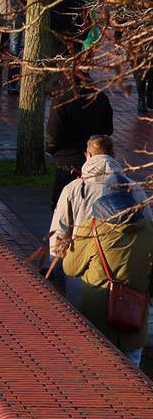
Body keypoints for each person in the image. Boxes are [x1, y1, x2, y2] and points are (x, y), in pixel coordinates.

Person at [54, 136, 152, 366]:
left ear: (88, 155)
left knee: (96, 365)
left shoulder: (77, 195)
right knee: (132, 369)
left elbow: (66, 259)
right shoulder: (137, 195)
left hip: (94, 305)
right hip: (134, 314)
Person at [47, 78, 114, 194]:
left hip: (68, 160)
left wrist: (53, 151)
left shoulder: (61, 100)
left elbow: (53, 134)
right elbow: (108, 129)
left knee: (66, 201)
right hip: (95, 160)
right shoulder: (100, 97)